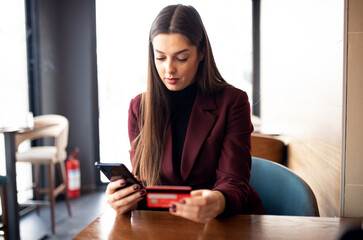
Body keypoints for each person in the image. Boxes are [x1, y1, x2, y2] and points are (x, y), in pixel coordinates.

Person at [106, 4, 265, 223]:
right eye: (160, 58)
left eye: (181, 58)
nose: (169, 69)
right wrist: (124, 197)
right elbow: (146, 183)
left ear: (201, 53)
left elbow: (235, 182)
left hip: (224, 223)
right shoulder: (139, 107)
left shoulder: (232, 102)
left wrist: (217, 201)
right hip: (166, 225)